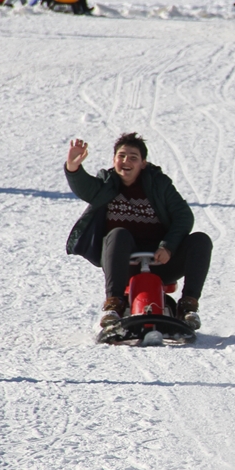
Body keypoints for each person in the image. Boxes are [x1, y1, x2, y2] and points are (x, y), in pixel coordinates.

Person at [64, 132, 212, 330]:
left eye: (133, 158)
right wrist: (74, 168)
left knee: (201, 240)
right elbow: (86, 188)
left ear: (143, 163)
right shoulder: (107, 183)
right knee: (118, 233)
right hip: (122, 264)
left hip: (162, 262)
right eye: (121, 156)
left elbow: (183, 216)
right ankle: (114, 305)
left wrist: (167, 247)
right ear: (114, 160)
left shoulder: (159, 184)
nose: (126, 161)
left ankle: (188, 307)